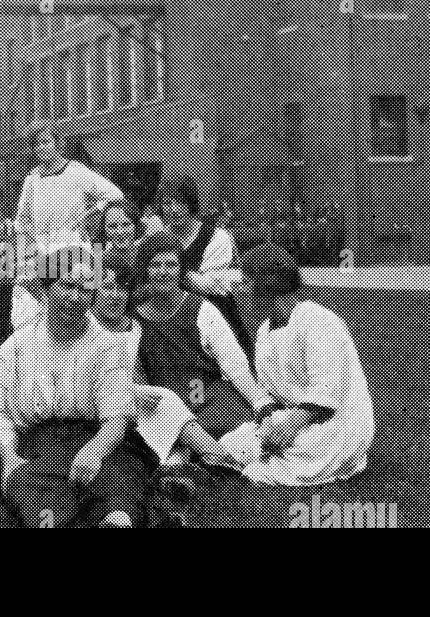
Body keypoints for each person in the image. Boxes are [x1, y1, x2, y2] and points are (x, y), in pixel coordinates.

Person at [0, 245, 153, 528]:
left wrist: (94, 451)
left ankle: (115, 520)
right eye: (67, 286)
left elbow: (119, 415)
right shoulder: (16, 347)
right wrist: (8, 459)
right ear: (46, 288)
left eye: (85, 290)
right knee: (43, 507)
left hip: (101, 440)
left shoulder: (108, 346)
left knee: (117, 494)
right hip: (38, 446)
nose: (75, 298)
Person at [219, 244, 377, 486]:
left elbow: (326, 394)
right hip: (297, 420)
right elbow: (271, 394)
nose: (237, 288)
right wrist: (271, 420)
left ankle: (259, 465)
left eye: (245, 281)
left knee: (301, 448)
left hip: (335, 424)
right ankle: (251, 459)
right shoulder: (263, 332)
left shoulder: (318, 321)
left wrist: (289, 426)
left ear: (267, 285)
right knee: (233, 441)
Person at [131, 231, 269, 439]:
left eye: (171, 265)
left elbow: (234, 364)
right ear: (145, 270)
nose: (163, 272)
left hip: (207, 401)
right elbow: (126, 374)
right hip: (163, 412)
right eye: (155, 265)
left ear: (181, 270)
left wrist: (261, 404)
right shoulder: (134, 319)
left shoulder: (202, 309)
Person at [154, 175, 247, 341]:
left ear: (191, 203)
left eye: (180, 203)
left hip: (216, 318)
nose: (174, 209)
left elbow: (208, 286)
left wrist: (167, 272)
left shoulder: (217, 237)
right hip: (176, 318)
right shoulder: (159, 237)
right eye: (167, 203)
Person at [14, 125, 123, 254]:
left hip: (73, 247)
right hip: (43, 251)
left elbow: (115, 194)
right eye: (36, 144)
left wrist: (90, 215)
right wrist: (30, 244)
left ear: (57, 143)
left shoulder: (75, 171)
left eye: (46, 142)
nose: (41, 147)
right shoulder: (32, 178)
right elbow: (22, 219)